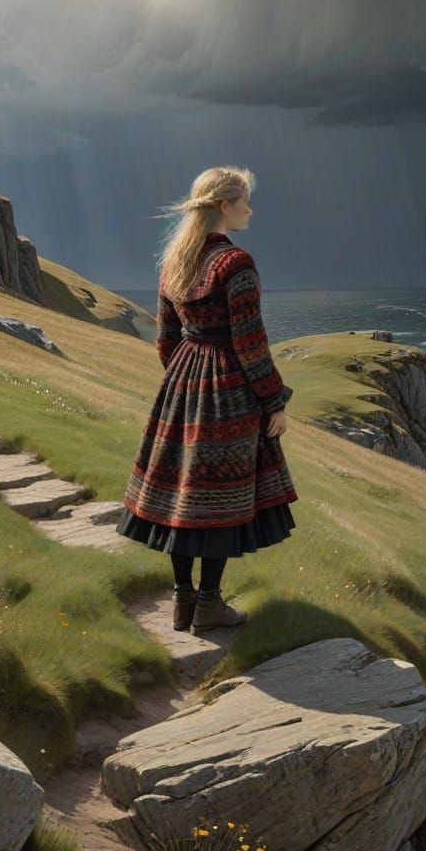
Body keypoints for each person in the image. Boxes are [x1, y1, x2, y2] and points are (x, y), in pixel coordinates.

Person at [115, 166, 298, 636]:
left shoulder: (175, 259)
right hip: (228, 387)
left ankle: (182, 601)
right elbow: (250, 343)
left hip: (182, 384)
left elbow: (165, 338)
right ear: (223, 206)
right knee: (219, 498)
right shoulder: (234, 264)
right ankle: (210, 605)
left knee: (183, 494)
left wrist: (184, 377)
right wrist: (274, 401)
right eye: (244, 202)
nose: (250, 209)